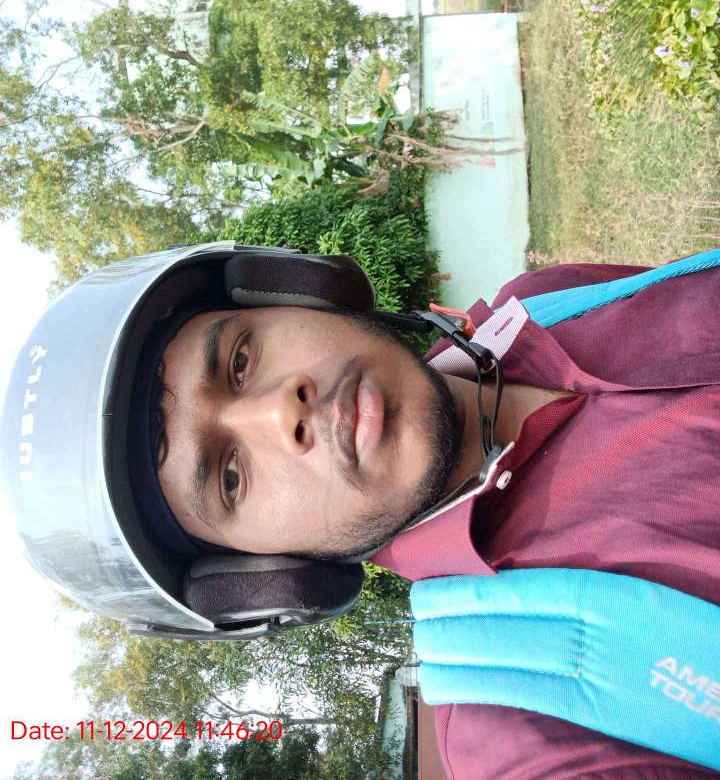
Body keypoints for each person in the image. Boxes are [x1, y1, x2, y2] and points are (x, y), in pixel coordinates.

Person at [2, 241, 719, 779]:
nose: (280, 413)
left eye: (240, 362)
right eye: (229, 477)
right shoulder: (529, 736)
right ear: (263, 578)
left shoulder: (537, 304)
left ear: (295, 294)